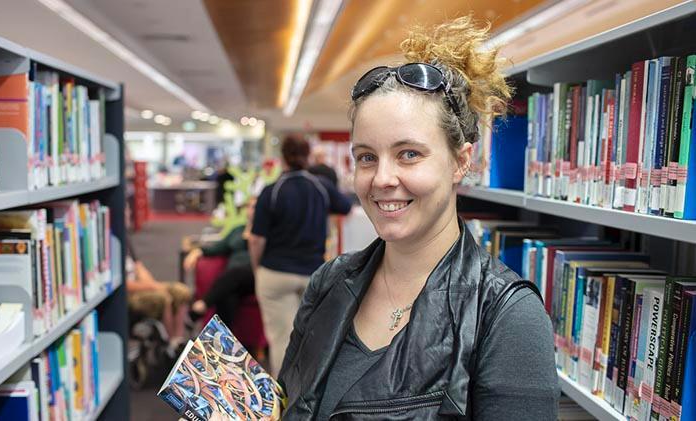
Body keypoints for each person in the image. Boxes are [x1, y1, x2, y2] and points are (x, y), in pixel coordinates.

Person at [278, 17, 559, 420]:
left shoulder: (505, 315)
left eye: (409, 154)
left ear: (461, 161)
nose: (382, 179)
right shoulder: (329, 284)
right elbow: (289, 404)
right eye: (367, 157)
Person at [250, 135, 352, 377]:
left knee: (281, 340)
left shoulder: (271, 191)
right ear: (308, 156)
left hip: (275, 273)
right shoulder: (320, 186)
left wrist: (257, 269)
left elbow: (256, 239)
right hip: (313, 274)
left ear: (282, 158)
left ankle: (284, 403)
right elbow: (346, 206)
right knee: (314, 339)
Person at [184, 199, 256, 328]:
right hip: (231, 279)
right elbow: (218, 247)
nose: (253, 211)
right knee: (227, 297)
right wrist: (198, 251)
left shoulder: (268, 232)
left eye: (257, 207)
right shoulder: (238, 230)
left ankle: (202, 305)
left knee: (235, 273)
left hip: (254, 276)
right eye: (250, 207)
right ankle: (221, 346)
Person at [126, 238, 192, 347]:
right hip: (129, 294)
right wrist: (152, 287)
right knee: (163, 298)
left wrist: (152, 285)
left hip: (142, 286)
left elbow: (139, 266)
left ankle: (178, 341)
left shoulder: (126, 238)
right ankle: (169, 345)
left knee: (181, 292)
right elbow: (126, 285)